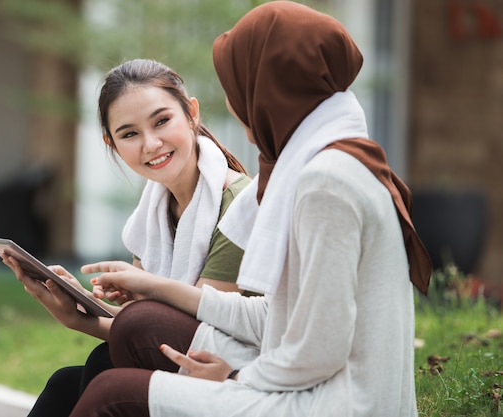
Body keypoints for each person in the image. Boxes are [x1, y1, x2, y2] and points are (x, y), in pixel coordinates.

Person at [71, 2, 433, 416]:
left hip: (334, 403)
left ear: (271, 90)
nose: (231, 105)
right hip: (309, 383)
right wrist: (150, 286)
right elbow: (281, 319)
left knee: (112, 394)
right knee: (126, 340)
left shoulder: (325, 184)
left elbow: (322, 349)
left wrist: (238, 378)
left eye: (237, 86)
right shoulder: (327, 165)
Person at [2, 59, 252, 416]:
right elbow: (144, 328)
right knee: (63, 385)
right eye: (129, 134)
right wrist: (78, 308)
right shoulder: (153, 213)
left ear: (192, 113)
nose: (151, 144)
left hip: (235, 372)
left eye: (162, 121)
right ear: (112, 142)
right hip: (178, 356)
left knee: (104, 364)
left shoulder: (239, 205)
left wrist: (142, 288)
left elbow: (198, 329)